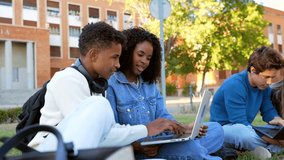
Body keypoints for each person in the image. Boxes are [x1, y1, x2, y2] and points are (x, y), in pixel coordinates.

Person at [28, 22, 186, 152]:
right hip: (48, 152)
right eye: (115, 57)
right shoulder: (67, 79)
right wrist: (146, 129)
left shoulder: (97, 84)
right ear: (94, 54)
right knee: (99, 105)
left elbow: (107, 129)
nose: (118, 65)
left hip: (73, 149)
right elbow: (98, 133)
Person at [106, 27, 224, 160]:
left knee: (216, 129)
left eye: (149, 58)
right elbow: (113, 131)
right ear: (127, 52)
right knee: (192, 148)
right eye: (140, 54)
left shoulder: (149, 83)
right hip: (140, 150)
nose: (144, 61)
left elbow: (163, 114)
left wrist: (184, 128)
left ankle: (193, 151)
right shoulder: (111, 85)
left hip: (162, 141)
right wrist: (137, 146)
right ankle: (202, 154)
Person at [210, 46, 284, 156]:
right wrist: (276, 141)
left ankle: (265, 149)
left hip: (246, 127)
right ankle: (273, 147)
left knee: (276, 130)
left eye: (272, 78)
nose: (269, 82)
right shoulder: (235, 85)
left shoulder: (263, 87)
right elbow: (240, 122)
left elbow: (268, 111)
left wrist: (279, 121)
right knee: (243, 134)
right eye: (266, 77)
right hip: (224, 130)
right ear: (253, 70)